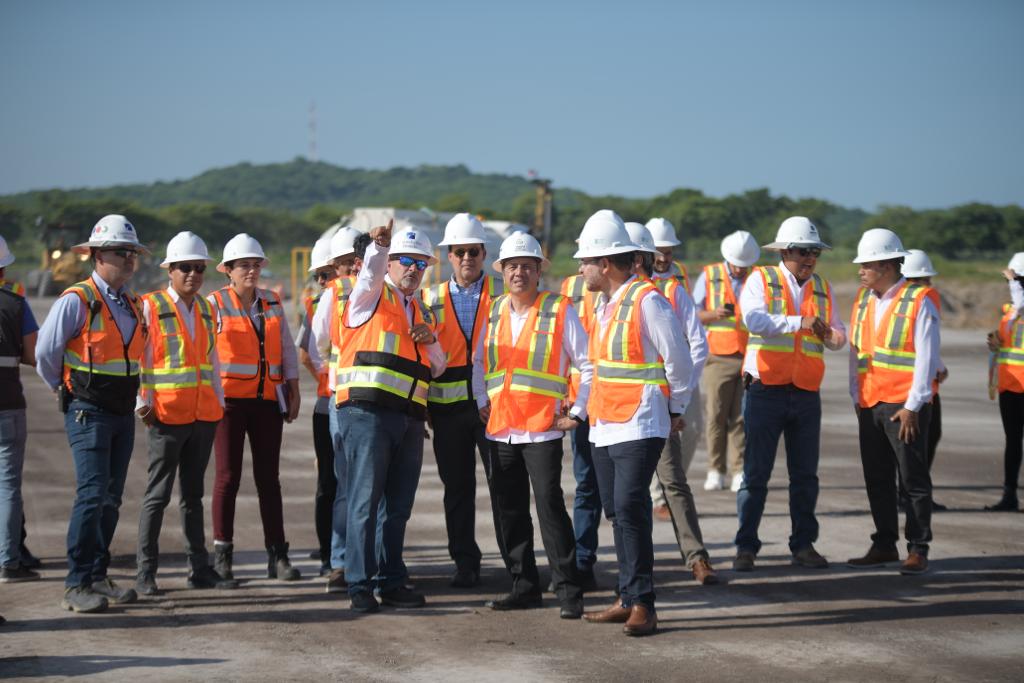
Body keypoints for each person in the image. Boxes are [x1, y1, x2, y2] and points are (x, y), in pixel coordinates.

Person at [577, 210, 693, 637]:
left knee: (629, 507)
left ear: (605, 264)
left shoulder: (649, 300)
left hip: (642, 422)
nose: (581, 269)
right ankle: (626, 597)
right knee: (615, 510)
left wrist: (675, 408)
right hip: (605, 423)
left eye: (585, 261)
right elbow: (596, 366)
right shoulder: (605, 304)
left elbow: (679, 360)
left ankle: (644, 602)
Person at [473, 232, 590, 619]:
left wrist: (578, 412)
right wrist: (481, 401)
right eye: (511, 266)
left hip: (542, 429)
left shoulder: (559, 309)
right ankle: (523, 586)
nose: (518, 272)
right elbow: (478, 363)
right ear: (502, 272)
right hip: (501, 428)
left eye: (526, 265)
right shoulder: (492, 310)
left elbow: (587, 364)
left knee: (549, 508)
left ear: (539, 270)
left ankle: (570, 592)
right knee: (509, 511)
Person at [35, 215, 148, 613]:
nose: (130, 260)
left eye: (132, 252)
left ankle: (98, 575)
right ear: (98, 256)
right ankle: (76, 582)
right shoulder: (76, 300)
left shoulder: (133, 303)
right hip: (88, 411)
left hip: (120, 412)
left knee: (111, 498)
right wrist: (63, 388)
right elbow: (45, 354)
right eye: (122, 252)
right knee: (92, 493)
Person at [333, 221, 445, 612]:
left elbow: (439, 367)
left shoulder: (422, 312)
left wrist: (431, 342)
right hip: (367, 413)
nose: (412, 269)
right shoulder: (370, 296)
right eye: (404, 261)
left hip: (409, 418)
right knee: (364, 502)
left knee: (397, 506)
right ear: (389, 264)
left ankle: (391, 579)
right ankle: (359, 586)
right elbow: (368, 274)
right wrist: (379, 248)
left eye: (420, 263)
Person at [734, 216, 846, 572]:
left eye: (814, 252)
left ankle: (803, 544)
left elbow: (839, 335)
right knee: (755, 475)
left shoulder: (824, 289)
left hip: (806, 391)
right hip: (766, 389)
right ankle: (746, 547)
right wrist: (800, 323)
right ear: (784, 252)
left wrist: (832, 337)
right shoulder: (761, 280)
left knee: (805, 476)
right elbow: (754, 321)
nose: (809, 258)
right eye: (802, 251)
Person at [135, 231, 236, 594]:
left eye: (198, 268)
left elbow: (211, 360)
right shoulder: (151, 305)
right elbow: (138, 356)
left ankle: (200, 568)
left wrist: (220, 403)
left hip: (203, 414)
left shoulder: (208, 308)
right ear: (170, 271)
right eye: (184, 268)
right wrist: (140, 401)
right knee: (157, 495)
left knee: (193, 496)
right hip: (164, 414)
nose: (193, 274)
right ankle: (145, 572)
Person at [625, 222, 716, 586]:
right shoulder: (604, 300)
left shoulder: (671, 292)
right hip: (616, 412)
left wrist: (678, 401)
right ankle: (628, 572)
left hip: (658, 407)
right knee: (620, 495)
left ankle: (697, 558)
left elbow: (697, 345)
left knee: (673, 482)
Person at [208, 233, 301, 582]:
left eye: (255, 264)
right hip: (228, 403)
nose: (251, 270)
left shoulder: (272, 301)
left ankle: (277, 556)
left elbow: (287, 349)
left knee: (269, 480)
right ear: (228, 270)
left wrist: (292, 388)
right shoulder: (214, 304)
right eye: (243, 265)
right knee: (227, 478)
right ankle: (223, 557)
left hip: (266, 402)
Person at [847, 229, 939, 575]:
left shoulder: (919, 300)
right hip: (870, 402)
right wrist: (856, 395)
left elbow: (927, 359)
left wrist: (914, 406)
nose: (860, 271)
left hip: (904, 407)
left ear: (886, 265)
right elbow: (858, 351)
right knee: (877, 477)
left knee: (912, 479)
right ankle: (884, 543)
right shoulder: (864, 299)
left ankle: (918, 548)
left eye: (866, 264)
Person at [422, 213, 505, 588]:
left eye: (473, 251)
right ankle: (465, 562)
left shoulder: (503, 293)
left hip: (494, 406)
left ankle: (514, 563)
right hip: (447, 409)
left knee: (504, 486)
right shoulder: (429, 298)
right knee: (457, 490)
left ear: (484, 253)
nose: (467, 258)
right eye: (460, 252)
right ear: (449, 256)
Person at [310, 225, 367, 593]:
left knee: (374, 487)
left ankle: (369, 559)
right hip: (342, 401)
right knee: (346, 485)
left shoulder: (387, 291)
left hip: (380, 401)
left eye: (355, 263)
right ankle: (341, 562)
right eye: (345, 265)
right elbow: (317, 346)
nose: (352, 271)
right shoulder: (335, 294)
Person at [692, 231, 760, 492]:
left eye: (746, 266)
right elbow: (693, 314)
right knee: (716, 416)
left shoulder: (757, 277)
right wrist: (713, 313)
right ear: (728, 259)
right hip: (718, 357)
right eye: (738, 266)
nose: (742, 271)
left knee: (741, 418)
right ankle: (715, 469)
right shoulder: (709, 276)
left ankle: (739, 470)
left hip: (748, 356)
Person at [0, 235, 40, 584]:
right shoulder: (16, 304)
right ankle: (9, 561)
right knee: (8, 484)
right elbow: (32, 355)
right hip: (8, 401)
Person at [297, 235, 338, 575]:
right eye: (319, 277)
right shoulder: (313, 306)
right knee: (328, 483)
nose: (323, 282)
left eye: (327, 274)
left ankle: (336, 553)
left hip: (343, 407)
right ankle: (328, 553)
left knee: (341, 484)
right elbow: (305, 355)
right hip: (327, 406)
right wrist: (327, 379)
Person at [560, 268, 602, 590]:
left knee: (622, 494)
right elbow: (563, 345)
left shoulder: (639, 292)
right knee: (586, 483)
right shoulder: (570, 287)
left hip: (621, 404)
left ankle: (632, 567)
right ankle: (583, 561)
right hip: (581, 402)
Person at [901, 249, 949, 511]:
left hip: (927, 384)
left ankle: (913, 492)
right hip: (911, 387)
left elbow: (929, 344)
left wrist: (939, 366)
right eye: (923, 279)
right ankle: (909, 494)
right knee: (912, 443)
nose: (928, 285)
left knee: (930, 436)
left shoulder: (924, 300)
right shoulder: (913, 302)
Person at [985, 252, 1024, 512]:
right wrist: (995, 342)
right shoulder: (1010, 313)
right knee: (1013, 441)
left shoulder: (1019, 306)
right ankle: (1009, 494)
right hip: (1010, 386)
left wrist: (1014, 280)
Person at [645, 217, 690, 290]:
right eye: (658, 253)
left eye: (667, 253)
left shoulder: (680, 271)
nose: (663, 259)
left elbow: (689, 300)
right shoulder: (638, 275)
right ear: (647, 252)